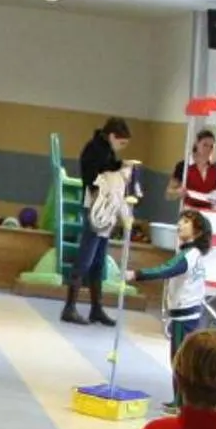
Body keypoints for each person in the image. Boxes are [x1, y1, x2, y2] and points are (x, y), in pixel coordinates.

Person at [62, 116, 133, 327]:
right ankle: (69, 307)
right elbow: (96, 177)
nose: (121, 147)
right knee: (86, 256)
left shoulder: (105, 150)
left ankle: (96, 308)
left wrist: (119, 166)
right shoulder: (95, 150)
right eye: (121, 142)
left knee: (99, 261)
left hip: (105, 209)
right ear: (112, 136)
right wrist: (119, 169)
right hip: (96, 207)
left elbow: (108, 167)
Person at [133, 208, 214, 367]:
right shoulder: (194, 254)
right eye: (181, 220)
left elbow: (165, 269)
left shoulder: (187, 256)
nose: (179, 224)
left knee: (179, 362)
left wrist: (136, 274)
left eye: (186, 222)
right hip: (191, 313)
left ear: (197, 232)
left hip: (184, 316)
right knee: (185, 359)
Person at [174, 127, 216, 211]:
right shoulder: (184, 166)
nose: (208, 149)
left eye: (211, 146)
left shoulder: (215, 168)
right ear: (197, 143)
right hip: (189, 213)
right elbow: (169, 193)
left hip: (209, 213)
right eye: (205, 145)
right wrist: (177, 192)